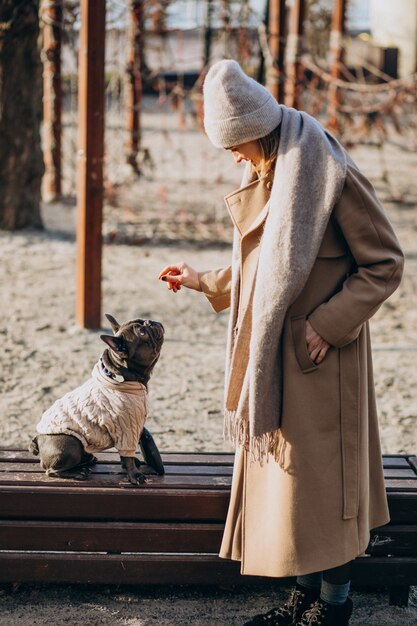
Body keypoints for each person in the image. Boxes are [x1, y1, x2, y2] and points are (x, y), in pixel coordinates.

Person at [158, 60, 404, 626]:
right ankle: (301, 599)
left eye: (233, 146)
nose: (233, 158)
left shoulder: (328, 170)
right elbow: (265, 273)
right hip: (276, 359)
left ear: (255, 128)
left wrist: (327, 325)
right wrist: (206, 281)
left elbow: (385, 264)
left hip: (322, 360)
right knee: (291, 490)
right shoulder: (270, 169)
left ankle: (332, 609)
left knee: (324, 494)